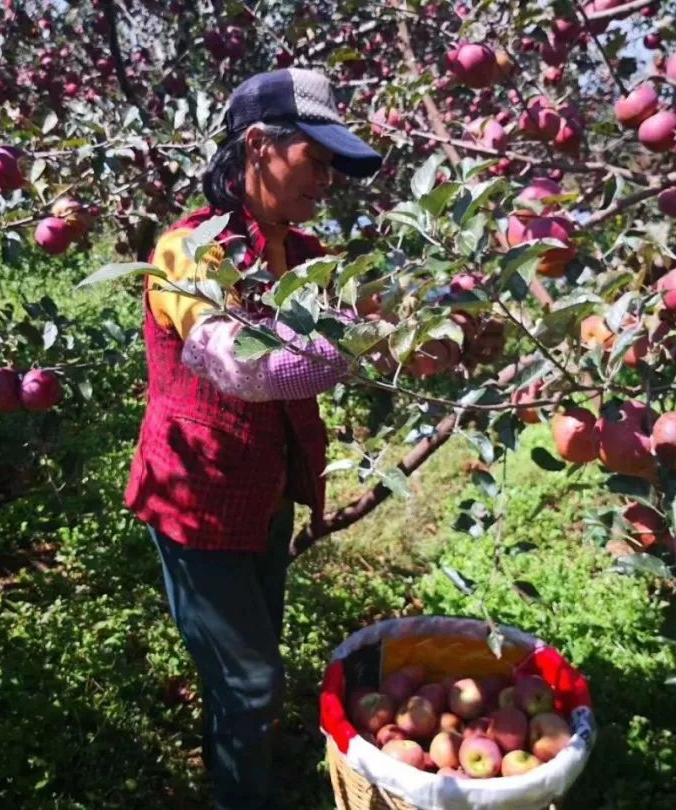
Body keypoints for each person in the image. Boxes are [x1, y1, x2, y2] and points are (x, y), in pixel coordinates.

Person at [123, 68, 464, 809]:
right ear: (257, 146)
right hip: (196, 501)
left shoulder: (304, 254)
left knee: (248, 668)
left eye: (333, 166)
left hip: (267, 494)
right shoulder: (189, 251)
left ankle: (238, 764)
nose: (327, 180)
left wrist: (437, 336)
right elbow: (242, 368)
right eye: (316, 159)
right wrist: (373, 336)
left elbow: (374, 318)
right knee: (251, 681)